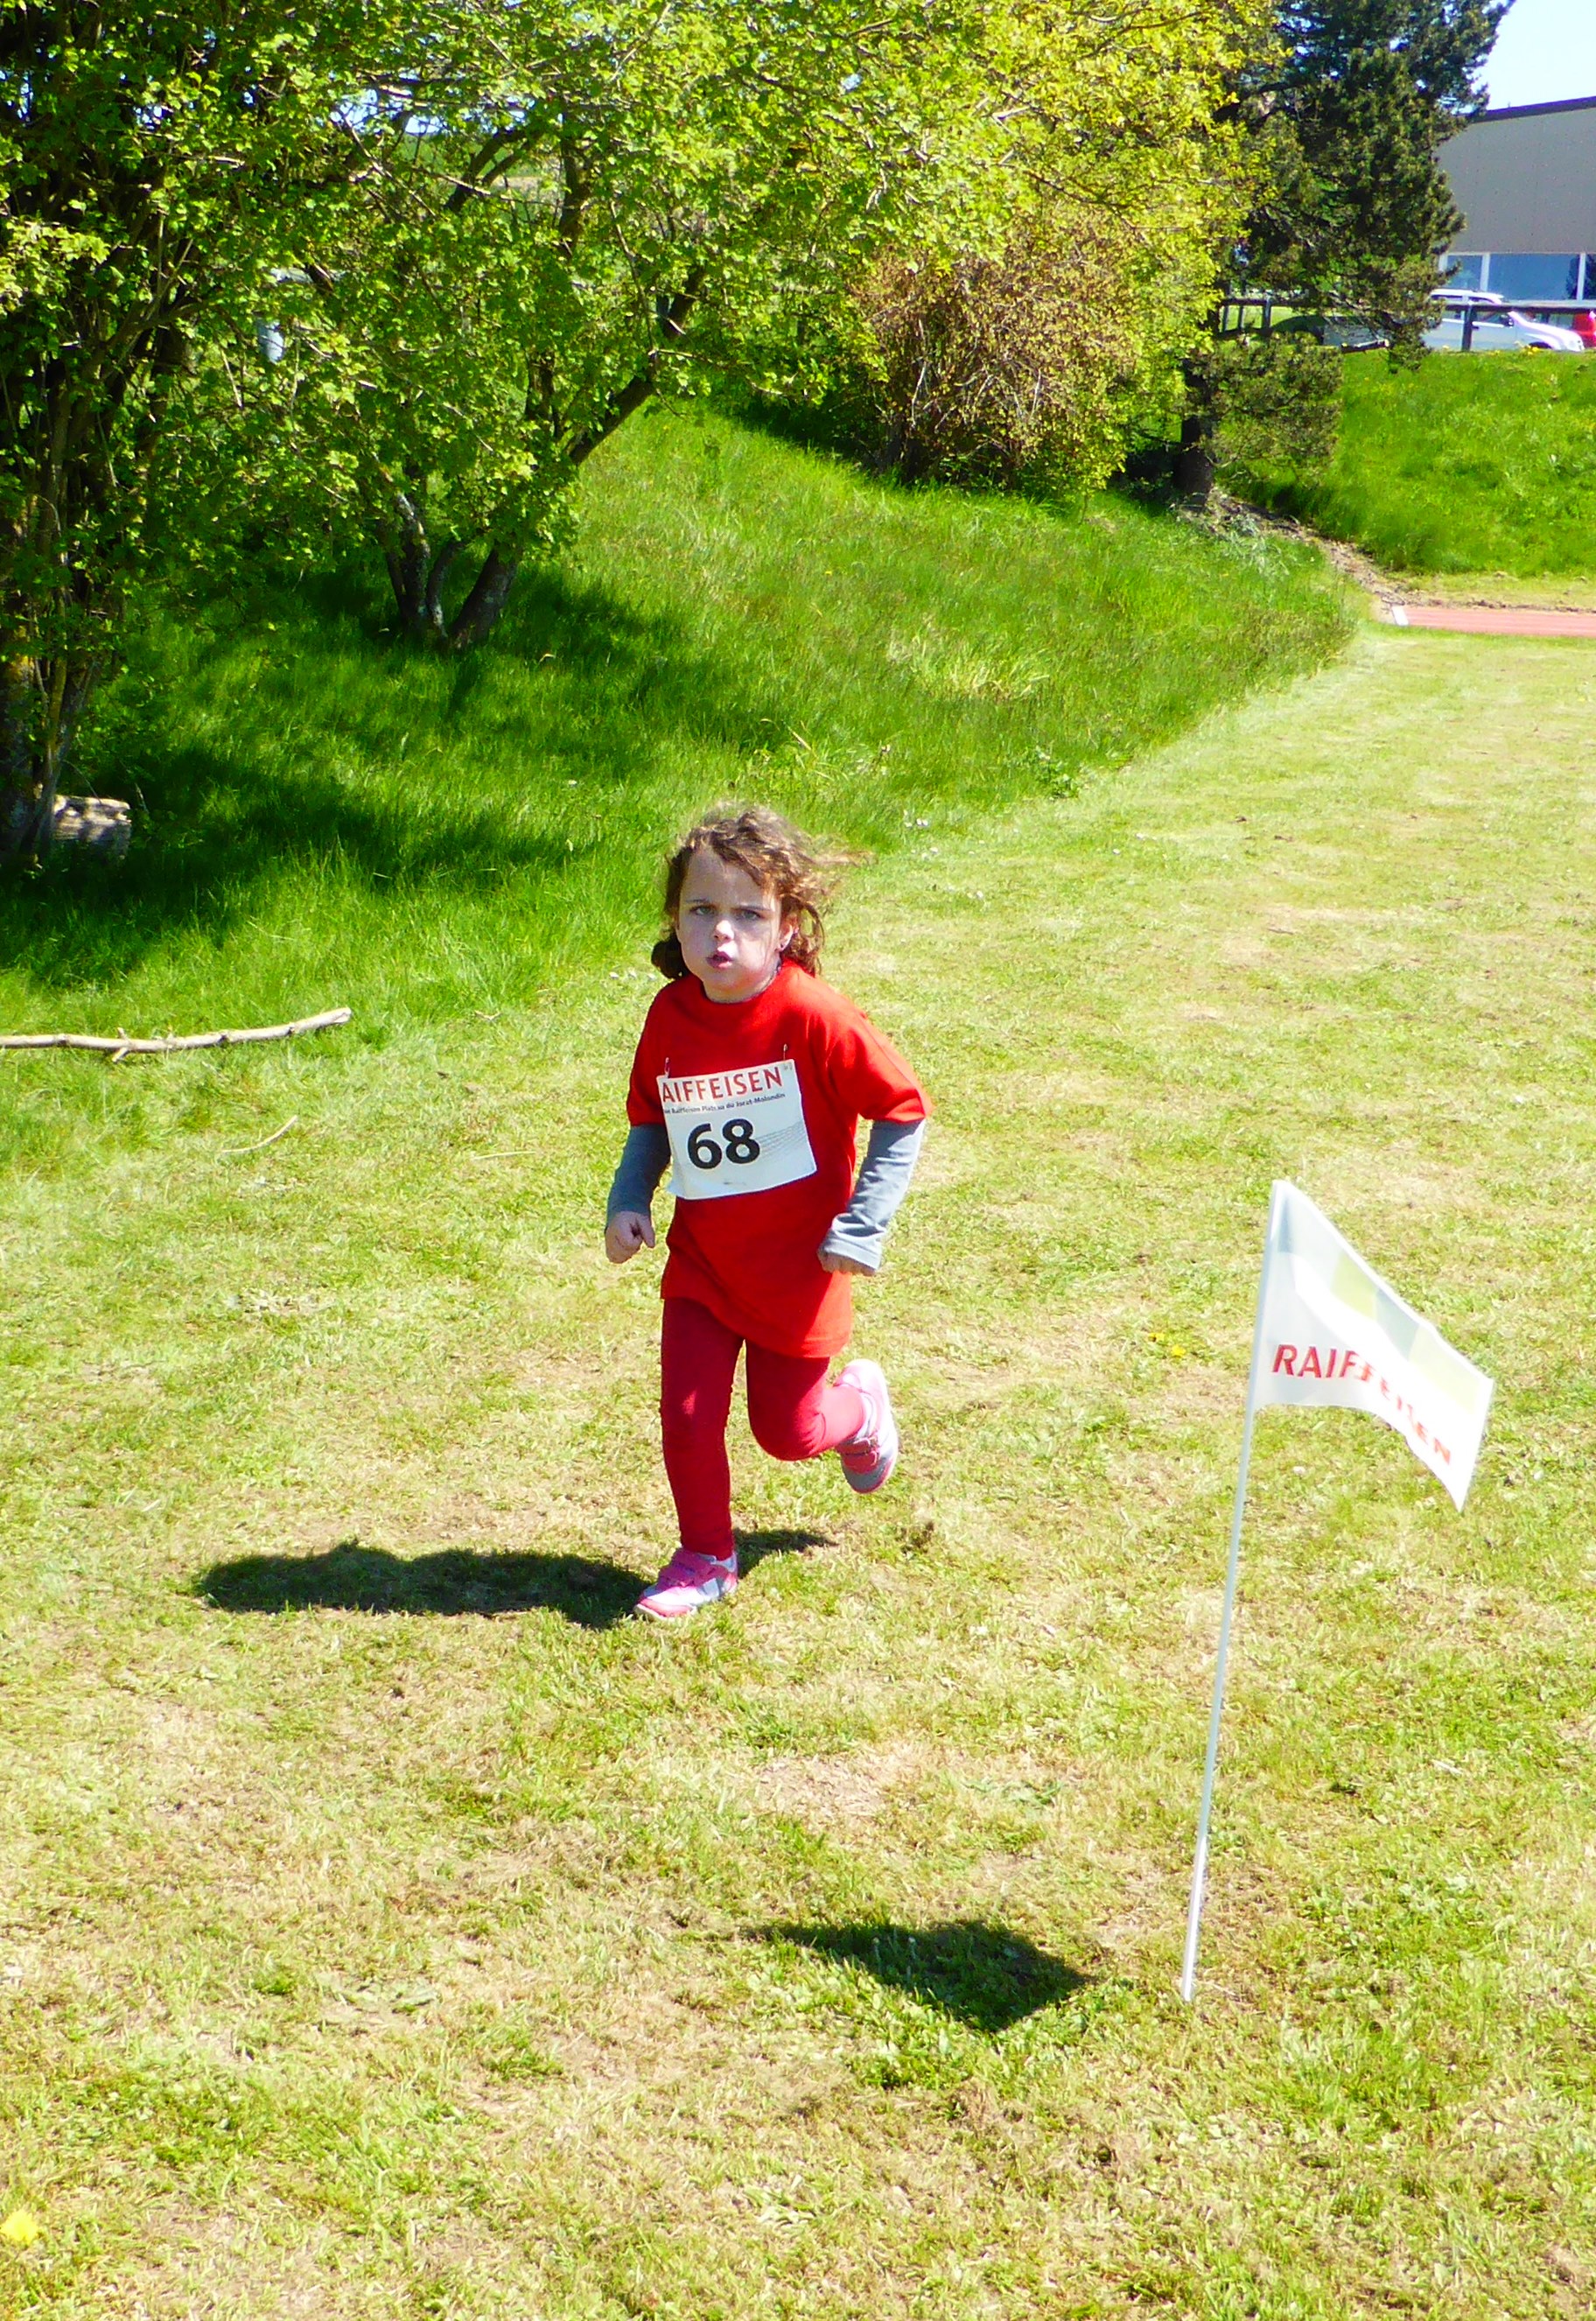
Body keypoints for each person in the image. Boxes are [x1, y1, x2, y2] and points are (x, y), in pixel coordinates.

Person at [606, 806, 928, 1620]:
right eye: (701, 910)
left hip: (799, 1272)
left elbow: (902, 1109)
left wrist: (863, 1224)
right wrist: (629, 1198)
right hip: (706, 1263)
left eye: (749, 914)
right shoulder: (669, 1016)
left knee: (789, 1434)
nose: (723, 932)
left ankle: (861, 1410)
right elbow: (654, 1118)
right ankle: (707, 1556)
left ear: (786, 926)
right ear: (675, 920)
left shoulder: (815, 1016)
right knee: (686, 1415)